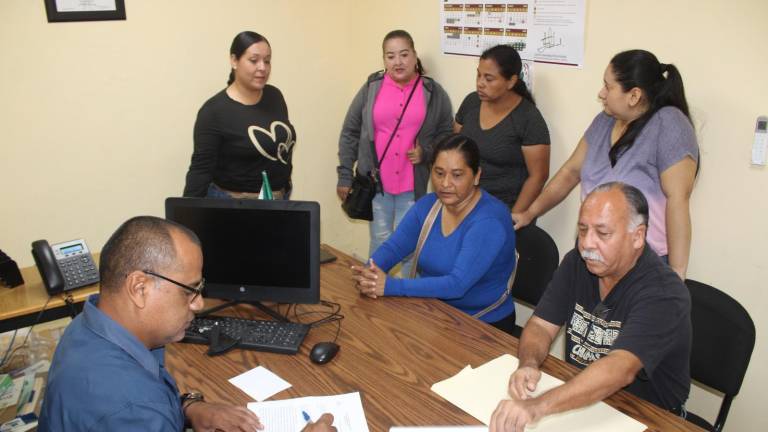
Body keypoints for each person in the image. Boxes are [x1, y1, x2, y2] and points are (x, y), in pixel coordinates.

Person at [39, 216, 335, 432]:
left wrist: (189, 409)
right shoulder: (131, 409)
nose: (199, 303)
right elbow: (136, 408)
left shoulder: (89, 324)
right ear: (139, 288)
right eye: (189, 290)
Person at [489, 182, 691, 432]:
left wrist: (536, 407)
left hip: (648, 416)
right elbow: (541, 325)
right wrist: (528, 363)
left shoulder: (665, 293)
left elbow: (620, 368)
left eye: (602, 233)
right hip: (584, 398)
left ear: (637, 236)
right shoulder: (577, 262)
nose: (587, 244)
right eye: (583, 230)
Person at [513, 49, 698, 279]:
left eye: (608, 87)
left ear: (634, 95)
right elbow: (570, 172)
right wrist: (529, 213)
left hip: (640, 263)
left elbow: (678, 200)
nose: (601, 93)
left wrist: (677, 275)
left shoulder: (669, 124)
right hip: (592, 252)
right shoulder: (605, 121)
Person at [351, 134, 517, 331]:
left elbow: (457, 285)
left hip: (483, 325)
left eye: (457, 175)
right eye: (439, 173)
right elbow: (393, 248)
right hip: (433, 312)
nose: (445, 183)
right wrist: (370, 273)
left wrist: (389, 286)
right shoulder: (428, 206)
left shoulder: (489, 220)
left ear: (477, 175)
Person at [337, 29, 453, 275]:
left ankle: (407, 300)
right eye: (390, 56)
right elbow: (350, 131)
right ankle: (373, 292)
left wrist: (428, 153)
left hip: (413, 185)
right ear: (384, 60)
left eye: (404, 54)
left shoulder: (432, 92)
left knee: (411, 247)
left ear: (414, 56)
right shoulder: (372, 87)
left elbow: (447, 132)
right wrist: (345, 175)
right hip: (376, 182)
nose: (398, 62)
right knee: (380, 242)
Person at [184, 31, 296, 200]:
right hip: (235, 206)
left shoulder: (274, 96)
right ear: (234, 61)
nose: (262, 67)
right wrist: (186, 219)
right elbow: (201, 170)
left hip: (278, 200)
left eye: (267, 61)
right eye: (254, 60)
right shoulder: (214, 111)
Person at [454, 44, 550, 215]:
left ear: (511, 81)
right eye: (478, 75)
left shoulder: (528, 118)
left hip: (503, 207)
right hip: (465, 202)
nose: (480, 83)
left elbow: (538, 176)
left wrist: (512, 218)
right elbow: (454, 148)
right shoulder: (471, 102)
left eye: (489, 79)